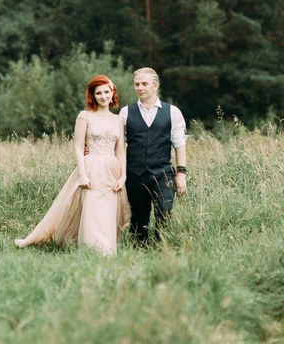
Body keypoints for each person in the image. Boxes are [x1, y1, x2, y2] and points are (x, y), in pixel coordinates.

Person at [15, 75, 130, 256]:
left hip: (111, 169)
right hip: (91, 166)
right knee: (91, 208)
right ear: (93, 96)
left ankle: (107, 250)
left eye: (106, 92)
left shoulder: (118, 120)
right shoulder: (84, 116)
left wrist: (122, 177)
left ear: (112, 92)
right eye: (98, 93)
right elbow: (77, 146)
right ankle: (90, 249)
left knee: (107, 210)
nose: (103, 96)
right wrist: (83, 173)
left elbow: (121, 151)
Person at [119, 67, 187, 243]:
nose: (140, 88)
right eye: (136, 84)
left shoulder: (172, 112)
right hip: (134, 174)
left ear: (155, 86)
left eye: (144, 84)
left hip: (163, 172)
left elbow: (179, 144)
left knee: (165, 210)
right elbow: (117, 143)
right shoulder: (126, 112)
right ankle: (139, 249)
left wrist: (181, 173)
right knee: (139, 218)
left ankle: (161, 246)